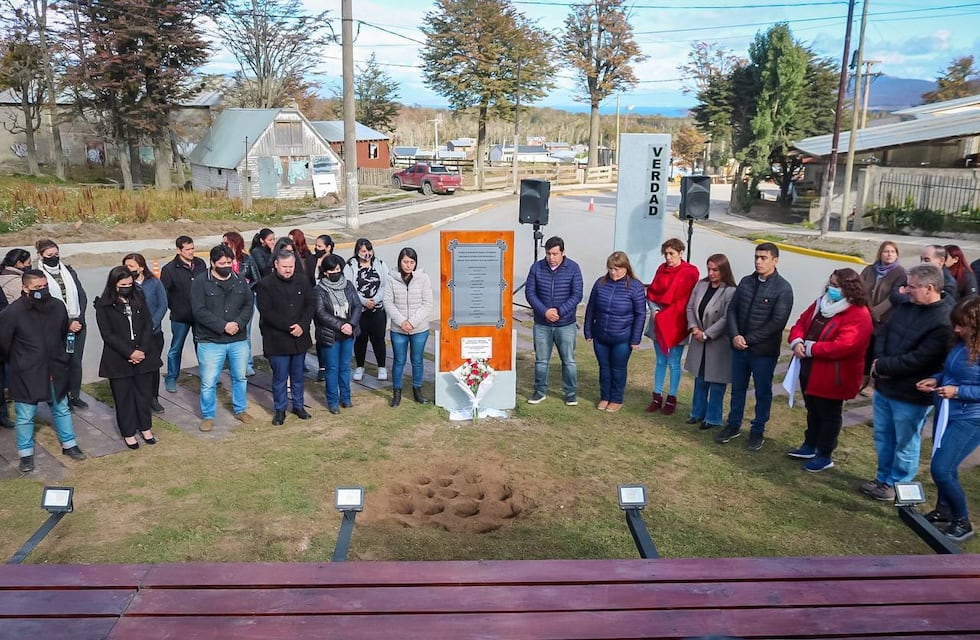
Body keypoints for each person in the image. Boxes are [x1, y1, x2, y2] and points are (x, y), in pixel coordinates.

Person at [862, 263, 952, 501]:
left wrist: (882, 366)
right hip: (885, 386)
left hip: (911, 394)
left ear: (929, 287)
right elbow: (884, 332)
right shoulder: (906, 305)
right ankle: (882, 480)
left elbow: (921, 359)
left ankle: (898, 484)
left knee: (906, 442)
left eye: (911, 287)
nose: (905, 290)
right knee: (883, 436)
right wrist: (878, 360)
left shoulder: (944, 320)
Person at [0, 269, 87, 473]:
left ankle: (69, 444)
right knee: (25, 415)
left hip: (55, 367)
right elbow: (4, 343)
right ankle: (26, 454)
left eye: (44, 286)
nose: (42, 290)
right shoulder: (12, 312)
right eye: (37, 288)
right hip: (27, 372)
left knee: (61, 408)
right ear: (24, 288)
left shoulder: (57, 306)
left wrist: (61, 357)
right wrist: (21, 361)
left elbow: (62, 333)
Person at [786, 268, 873, 471]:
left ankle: (825, 453)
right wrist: (797, 341)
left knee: (829, 413)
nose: (830, 288)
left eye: (835, 285)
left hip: (834, 374)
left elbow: (846, 344)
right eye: (830, 284)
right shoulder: (821, 303)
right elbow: (801, 323)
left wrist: (811, 348)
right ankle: (810, 444)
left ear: (848, 289)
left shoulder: (858, 314)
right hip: (811, 368)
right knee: (813, 409)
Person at [718, 242, 794, 451]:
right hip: (739, 348)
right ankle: (733, 425)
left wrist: (748, 339)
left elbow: (777, 323)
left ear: (775, 261)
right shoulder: (746, 282)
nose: (758, 261)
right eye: (756, 257)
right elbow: (732, 310)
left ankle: (757, 429)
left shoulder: (783, 288)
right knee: (738, 389)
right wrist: (735, 335)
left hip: (763, 352)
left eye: (764, 258)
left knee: (762, 392)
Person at [916, 296, 980, 543]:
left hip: (971, 418)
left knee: (941, 468)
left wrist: (959, 392)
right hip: (947, 412)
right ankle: (943, 511)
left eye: (962, 325)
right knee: (944, 465)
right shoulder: (963, 343)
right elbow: (952, 371)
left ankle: (962, 521)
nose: (956, 329)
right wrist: (937, 379)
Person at [95, 266, 160, 449]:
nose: (127, 287)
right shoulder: (104, 304)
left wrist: (141, 350)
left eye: (130, 284)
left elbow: (148, 324)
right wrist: (129, 352)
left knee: (144, 394)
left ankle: (145, 427)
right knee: (124, 398)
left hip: (143, 355)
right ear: (114, 284)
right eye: (123, 284)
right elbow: (107, 334)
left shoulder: (138, 298)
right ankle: (128, 432)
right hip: (118, 358)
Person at [190, 245, 254, 432]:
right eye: (222, 263)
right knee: (209, 381)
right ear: (212, 263)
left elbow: (248, 304)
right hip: (210, 340)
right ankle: (208, 415)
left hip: (238, 339)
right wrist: (223, 326)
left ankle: (240, 410)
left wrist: (238, 324)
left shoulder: (240, 280)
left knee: (240, 377)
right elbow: (199, 310)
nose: (227, 266)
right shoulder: (200, 282)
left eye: (229, 262)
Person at [256, 250, 314, 425]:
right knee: (280, 378)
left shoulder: (302, 281)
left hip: (299, 339)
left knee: (297, 376)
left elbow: (310, 305)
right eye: (284, 267)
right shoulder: (265, 285)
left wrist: (302, 325)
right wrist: (289, 328)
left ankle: (298, 405)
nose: (288, 270)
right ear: (276, 265)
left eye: (291, 266)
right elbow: (267, 312)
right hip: (277, 340)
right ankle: (280, 410)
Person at [583, 251, 646, 412]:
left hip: (622, 338)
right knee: (604, 368)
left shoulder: (635, 287)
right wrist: (588, 331)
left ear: (626, 268)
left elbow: (640, 314)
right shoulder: (600, 283)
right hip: (601, 335)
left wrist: (635, 339)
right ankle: (605, 396)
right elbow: (591, 308)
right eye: (611, 268)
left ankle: (616, 399)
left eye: (617, 269)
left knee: (618, 369)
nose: (613, 272)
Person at [526, 236, 584, 406]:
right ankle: (539, 391)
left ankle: (570, 393)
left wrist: (559, 311)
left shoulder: (573, 268)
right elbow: (530, 293)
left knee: (568, 360)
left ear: (563, 253)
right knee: (541, 361)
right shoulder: (537, 267)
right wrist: (545, 311)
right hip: (542, 323)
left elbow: (577, 294)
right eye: (548, 253)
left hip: (565, 323)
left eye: (555, 254)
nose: (551, 257)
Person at [645, 238, 700, 416]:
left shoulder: (690, 272)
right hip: (658, 320)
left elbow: (686, 300)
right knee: (660, 361)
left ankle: (672, 397)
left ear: (680, 253)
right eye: (666, 254)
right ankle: (657, 396)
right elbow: (652, 292)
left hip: (677, 321)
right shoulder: (661, 270)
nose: (668, 257)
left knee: (674, 362)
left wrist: (665, 315)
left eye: (672, 254)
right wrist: (654, 311)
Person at [684, 254, 737, 430]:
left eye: (715, 270)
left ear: (723, 270)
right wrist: (694, 328)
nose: (711, 273)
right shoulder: (701, 285)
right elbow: (690, 307)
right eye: (709, 269)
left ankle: (713, 418)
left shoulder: (730, 291)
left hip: (717, 342)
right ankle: (697, 412)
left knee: (716, 382)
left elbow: (726, 317)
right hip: (699, 338)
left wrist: (707, 334)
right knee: (700, 379)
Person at [36, 238, 88, 410]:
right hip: (56, 327)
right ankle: (61, 396)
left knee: (75, 362)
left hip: (77, 324)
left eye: (56, 254)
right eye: (49, 255)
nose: (54, 257)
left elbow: (81, 295)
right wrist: (67, 324)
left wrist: (78, 319)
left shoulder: (69, 271)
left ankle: (75, 395)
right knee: (59, 363)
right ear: (41, 255)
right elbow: (44, 305)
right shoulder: (38, 275)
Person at [312, 254, 361, 414]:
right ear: (325, 272)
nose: (336, 272)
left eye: (338, 269)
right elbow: (321, 313)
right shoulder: (319, 290)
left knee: (345, 367)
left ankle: (346, 398)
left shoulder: (348, 285)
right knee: (332, 369)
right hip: (330, 335)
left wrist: (351, 324)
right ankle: (332, 401)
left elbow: (357, 306)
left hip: (348, 333)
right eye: (332, 270)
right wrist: (341, 325)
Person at [385, 247, 433, 407]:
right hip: (398, 329)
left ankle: (417, 390)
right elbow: (388, 302)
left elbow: (427, 303)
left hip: (419, 328)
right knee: (399, 360)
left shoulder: (423, 278)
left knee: (417, 360)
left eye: (412, 262)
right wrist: (401, 321)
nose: (408, 265)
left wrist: (412, 322)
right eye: (405, 261)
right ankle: (396, 392)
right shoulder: (391, 279)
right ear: (400, 262)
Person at [858, 241, 906, 394]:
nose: (889, 254)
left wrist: (874, 313)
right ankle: (862, 378)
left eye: (893, 251)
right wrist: (863, 311)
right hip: (864, 316)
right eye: (886, 251)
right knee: (864, 348)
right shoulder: (869, 270)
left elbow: (893, 298)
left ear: (897, 254)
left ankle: (873, 382)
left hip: (885, 319)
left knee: (877, 350)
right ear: (880, 253)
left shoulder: (900, 273)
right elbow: (859, 289)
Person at [160, 235, 207, 393]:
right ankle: (172, 377)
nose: (191, 252)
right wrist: (175, 307)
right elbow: (164, 293)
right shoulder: (169, 269)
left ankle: (207, 376)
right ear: (179, 250)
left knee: (202, 347)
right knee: (176, 348)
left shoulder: (200, 264)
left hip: (200, 316)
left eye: (192, 248)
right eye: (187, 249)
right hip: (180, 317)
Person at [123, 253, 168, 413]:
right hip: (132, 335)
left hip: (153, 334)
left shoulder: (154, 282)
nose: (128, 269)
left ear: (141, 267)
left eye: (131, 266)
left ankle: (153, 398)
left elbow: (163, 305)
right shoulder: (124, 285)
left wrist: (152, 325)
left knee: (152, 367)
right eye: (126, 266)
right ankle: (136, 398)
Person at [345, 238, 390, 382]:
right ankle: (359, 366)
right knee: (360, 339)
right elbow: (349, 287)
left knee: (378, 339)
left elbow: (386, 285)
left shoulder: (380, 264)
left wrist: (375, 300)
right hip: (360, 311)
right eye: (363, 251)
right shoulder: (350, 265)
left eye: (369, 250)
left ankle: (382, 367)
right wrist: (364, 301)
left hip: (378, 309)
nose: (367, 254)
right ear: (357, 251)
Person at [223, 231, 259, 376]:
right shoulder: (222, 260)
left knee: (245, 333)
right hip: (226, 302)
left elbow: (256, 279)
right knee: (228, 332)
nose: (223, 245)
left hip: (245, 301)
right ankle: (232, 364)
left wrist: (244, 290)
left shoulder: (247, 259)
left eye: (226, 243)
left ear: (234, 243)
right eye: (222, 243)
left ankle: (247, 364)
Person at [311, 234, 336, 381]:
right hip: (316, 301)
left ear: (328, 247)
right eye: (316, 246)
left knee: (332, 334)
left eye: (320, 246)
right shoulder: (312, 260)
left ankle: (331, 365)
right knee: (320, 336)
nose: (316, 248)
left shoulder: (333, 261)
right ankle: (322, 367)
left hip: (331, 303)